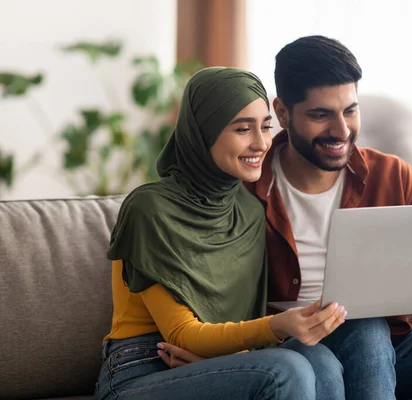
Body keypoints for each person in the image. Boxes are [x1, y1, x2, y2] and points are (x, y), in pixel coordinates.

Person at [159, 37, 412, 399]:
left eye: (350, 110)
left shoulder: (392, 176)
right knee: (361, 324)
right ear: (282, 112)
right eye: (321, 115)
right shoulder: (241, 186)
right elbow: (198, 300)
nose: (341, 130)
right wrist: (231, 359)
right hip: (300, 352)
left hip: (397, 352)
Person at [93, 66, 347, 400]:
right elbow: (181, 334)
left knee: (321, 360)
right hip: (140, 370)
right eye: (243, 128)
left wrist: (232, 360)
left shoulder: (250, 212)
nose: (261, 143)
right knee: (287, 369)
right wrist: (278, 325)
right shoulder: (149, 209)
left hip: (215, 362)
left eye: (266, 127)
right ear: (204, 131)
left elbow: (237, 331)